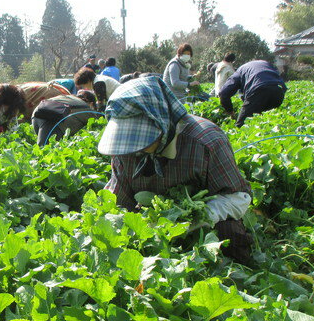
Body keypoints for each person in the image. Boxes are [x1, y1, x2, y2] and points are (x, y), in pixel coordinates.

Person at [98, 75, 253, 263]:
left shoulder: (206, 141)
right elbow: (119, 203)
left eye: (140, 139)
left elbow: (239, 197)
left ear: (162, 123)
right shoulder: (123, 149)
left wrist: (196, 219)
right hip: (153, 228)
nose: (133, 147)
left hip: (203, 227)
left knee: (229, 233)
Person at [218, 60, 286, 127]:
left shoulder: (239, 72)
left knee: (241, 126)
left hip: (259, 89)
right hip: (279, 91)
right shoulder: (264, 63)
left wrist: (230, 112)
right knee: (268, 122)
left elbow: (223, 93)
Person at [32, 90, 98, 146]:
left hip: (37, 114)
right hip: (52, 120)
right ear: (91, 104)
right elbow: (96, 124)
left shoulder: (68, 97)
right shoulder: (87, 108)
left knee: (42, 147)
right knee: (46, 149)